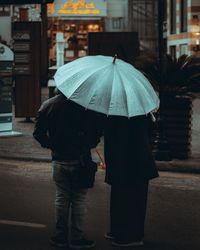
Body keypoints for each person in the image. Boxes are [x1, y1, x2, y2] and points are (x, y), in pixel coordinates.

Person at [33, 89, 101, 249]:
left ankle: (60, 237)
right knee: (78, 199)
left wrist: (52, 145)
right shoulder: (84, 107)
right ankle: (77, 238)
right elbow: (96, 133)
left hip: (58, 159)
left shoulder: (47, 105)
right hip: (80, 160)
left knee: (62, 198)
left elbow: (38, 133)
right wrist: (86, 145)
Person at [103, 113, 158, 247]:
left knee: (124, 198)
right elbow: (150, 131)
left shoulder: (114, 114)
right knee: (130, 199)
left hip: (127, 162)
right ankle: (124, 232)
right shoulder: (142, 113)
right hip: (133, 162)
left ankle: (128, 236)